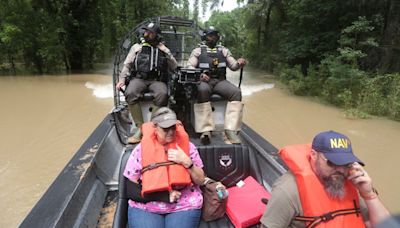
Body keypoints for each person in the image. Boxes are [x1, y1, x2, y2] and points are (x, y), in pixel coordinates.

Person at [260, 130, 390, 228]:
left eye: (345, 164)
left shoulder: (351, 182)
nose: (340, 170)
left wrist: (369, 195)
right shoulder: (287, 191)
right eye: (332, 163)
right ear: (314, 155)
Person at [123, 107, 206, 228]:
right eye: (166, 128)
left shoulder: (189, 147)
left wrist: (188, 163)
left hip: (183, 205)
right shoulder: (140, 150)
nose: (171, 132)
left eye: (173, 127)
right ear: (155, 127)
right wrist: (164, 196)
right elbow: (130, 189)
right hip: (147, 206)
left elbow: (201, 180)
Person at [116, 22, 178, 144]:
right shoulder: (136, 47)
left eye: (150, 32)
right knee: (130, 92)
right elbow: (127, 65)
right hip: (139, 79)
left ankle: (150, 126)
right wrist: (122, 80)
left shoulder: (163, 49)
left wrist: (166, 52)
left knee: (162, 94)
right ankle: (140, 129)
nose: (146, 34)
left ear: (157, 35)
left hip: (156, 80)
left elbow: (174, 66)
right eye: (146, 32)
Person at [187, 26, 246, 144]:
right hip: (204, 81)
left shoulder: (223, 50)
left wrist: (239, 63)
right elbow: (189, 66)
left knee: (236, 92)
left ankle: (230, 129)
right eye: (210, 35)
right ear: (205, 37)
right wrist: (200, 75)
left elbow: (233, 66)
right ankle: (205, 130)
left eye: (215, 35)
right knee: (202, 90)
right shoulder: (197, 51)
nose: (213, 38)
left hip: (220, 81)